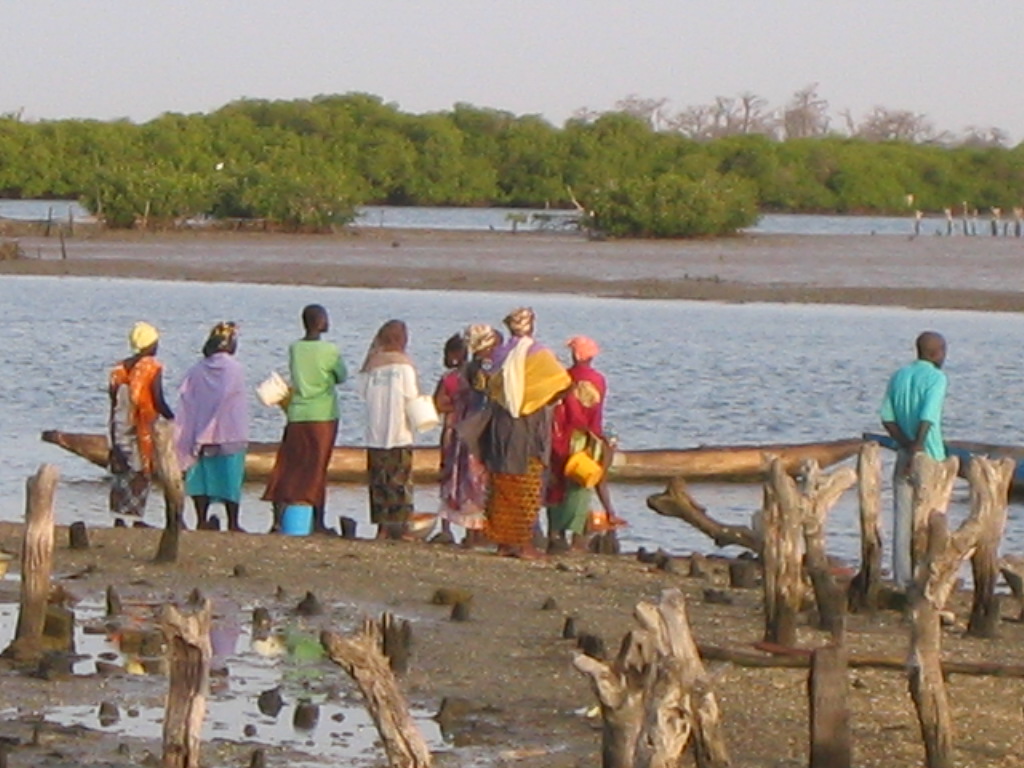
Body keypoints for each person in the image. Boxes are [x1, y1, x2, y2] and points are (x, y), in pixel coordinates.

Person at [476, 308, 571, 558]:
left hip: (502, 425)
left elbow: (490, 387)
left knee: (502, 482)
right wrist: (539, 399)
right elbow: (563, 384)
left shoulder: (500, 354)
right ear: (531, 326)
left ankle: (503, 543)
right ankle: (522, 544)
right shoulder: (539, 354)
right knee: (526, 483)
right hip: (528, 427)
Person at [262, 305, 347, 533]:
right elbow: (342, 376)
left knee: (289, 466)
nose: (327, 321)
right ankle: (317, 522)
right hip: (323, 415)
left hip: (297, 414)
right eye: (325, 318)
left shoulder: (295, 348)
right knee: (317, 468)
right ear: (319, 322)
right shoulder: (329, 350)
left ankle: (278, 520)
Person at [880, 331, 948, 587]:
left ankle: (902, 579)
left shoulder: (899, 375)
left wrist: (906, 446)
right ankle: (925, 579)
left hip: (903, 453)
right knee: (931, 520)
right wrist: (918, 447)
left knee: (902, 519)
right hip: (929, 456)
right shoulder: (937, 378)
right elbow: (928, 416)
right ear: (937, 352)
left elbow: (887, 418)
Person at [546, 335, 620, 552]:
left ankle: (555, 533)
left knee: (557, 482)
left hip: (562, 437)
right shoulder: (599, 380)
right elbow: (595, 414)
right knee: (581, 485)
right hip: (587, 439)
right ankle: (577, 535)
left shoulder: (564, 378)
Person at [174, 322, 249, 532]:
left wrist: (189, 432)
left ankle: (201, 520)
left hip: (200, 433)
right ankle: (233, 522)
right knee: (230, 478)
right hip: (229, 432)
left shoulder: (196, 369)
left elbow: (186, 400)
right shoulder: (235, 369)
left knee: (201, 479)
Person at [359, 319, 421, 540]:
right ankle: (402, 527)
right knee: (400, 481)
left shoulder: (372, 365)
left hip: (375, 432)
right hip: (399, 431)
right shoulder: (404, 366)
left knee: (379, 481)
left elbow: (362, 393)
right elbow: (411, 397)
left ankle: (382, 528)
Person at [108, 321, 174, 520]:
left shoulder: (119, 368)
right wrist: (172, 417)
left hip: (118, 425)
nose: (157, 346)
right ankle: (136, 517)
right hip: (142, 426)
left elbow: (113, 399)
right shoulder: (151, 367)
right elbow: (157, 398)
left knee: (121, 470)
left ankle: (119, 517)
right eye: (155, 342)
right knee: (141, 472)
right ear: (148, 345)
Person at [433, 331, 490, 546]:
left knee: (449, 478)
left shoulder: (450, 379)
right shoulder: (477, 377)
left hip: (453, 433)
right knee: (474, 480)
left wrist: (457, 406)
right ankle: (473, 531)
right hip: (474, 434)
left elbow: (438, 404)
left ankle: (446, 528)